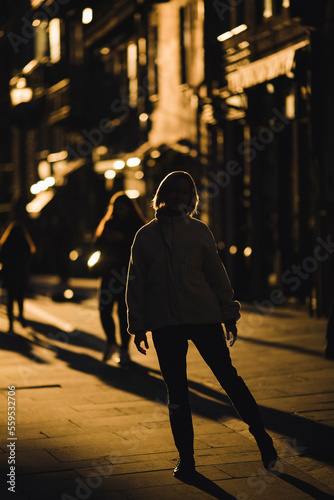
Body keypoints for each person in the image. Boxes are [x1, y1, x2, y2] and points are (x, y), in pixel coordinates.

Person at [126, 171, 277, 478]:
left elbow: (217, 276)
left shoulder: (199, 231)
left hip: (203, 317)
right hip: (165, 325)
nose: (181, 196)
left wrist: (229, 313)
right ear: (162, 194)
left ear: (192, 198)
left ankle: (262, 437)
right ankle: (187, 460)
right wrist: (137, 325)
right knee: (177, 393)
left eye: (186, 192)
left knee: (229, 379)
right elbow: (136, 283)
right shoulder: (145, 236)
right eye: (175, 191)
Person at [93, 192, 146, 366]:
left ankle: (124, 349)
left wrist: (122, 239)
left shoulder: (136, 226)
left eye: (122, 208)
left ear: (129, 209)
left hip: (126, 275)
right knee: (104, 310)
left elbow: (141, 250)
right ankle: (111, 342)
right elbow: (97, 245)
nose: (119, 211)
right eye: (116, 208)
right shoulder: (109, 223)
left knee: (124, 313)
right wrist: (105, 239)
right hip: (108, 274)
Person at [0, 221, 36, 333]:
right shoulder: (25, 244)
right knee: (20, 297)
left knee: (10, 299)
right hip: (20, 274)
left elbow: (1, 258)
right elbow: (29, 257)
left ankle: (11, 324)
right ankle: (21, 316)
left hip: (9, 274)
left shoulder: (6, 244)